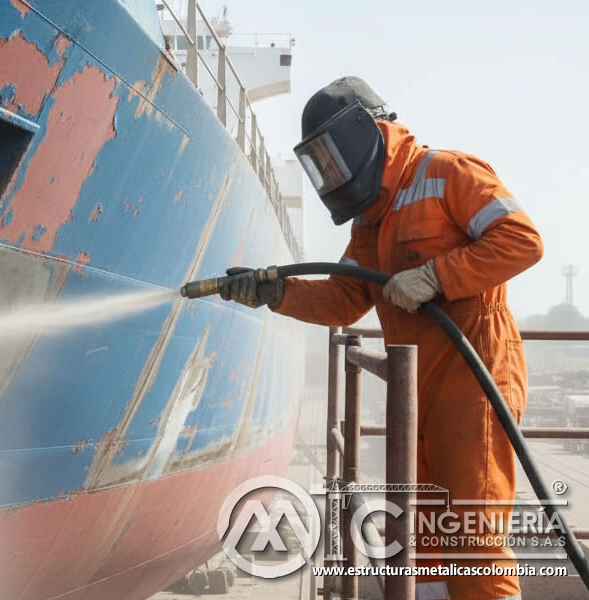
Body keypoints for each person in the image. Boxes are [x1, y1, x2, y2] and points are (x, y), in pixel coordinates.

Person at [221, 76, 543, 600]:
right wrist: (274, 292)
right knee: (423, 542)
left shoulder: (448, 174)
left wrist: (438, 275)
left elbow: (522, 241)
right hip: (416, 396)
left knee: (474, 546)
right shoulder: (373, 221)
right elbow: (343, 300)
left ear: (363, 134)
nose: (331, 173)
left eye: (333, 158)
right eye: (320, 164)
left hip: (475, 387)